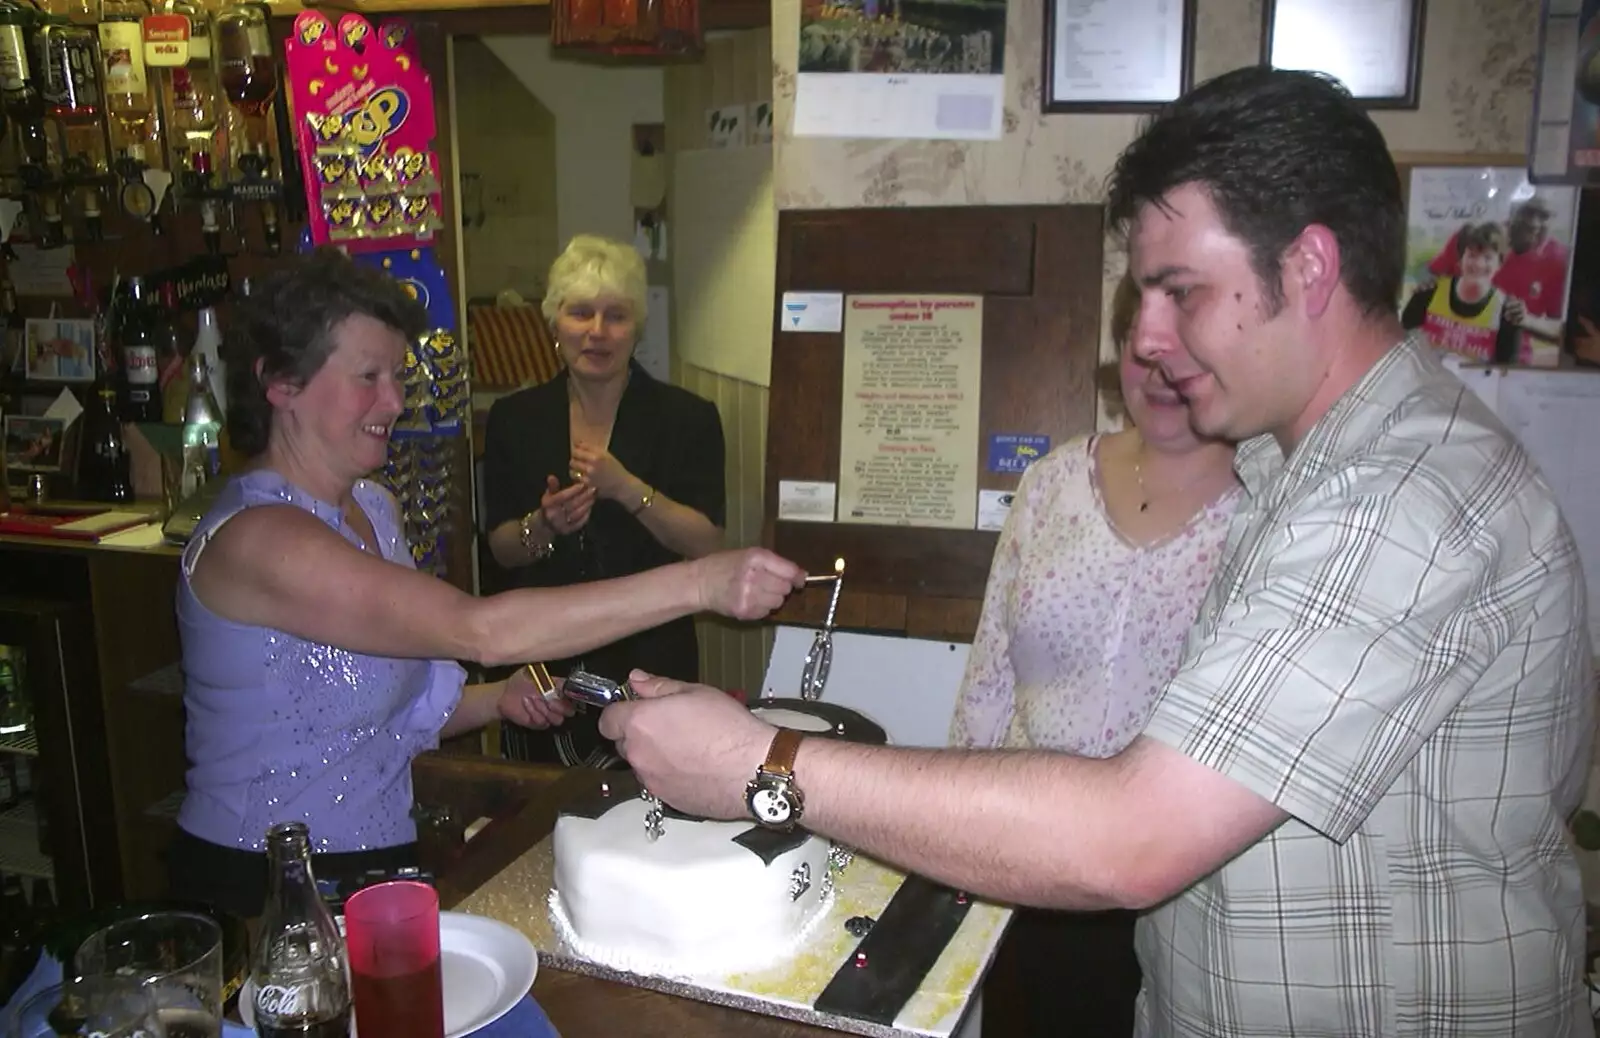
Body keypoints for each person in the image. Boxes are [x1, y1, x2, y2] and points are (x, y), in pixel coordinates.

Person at [599, 68, 1594, 1037]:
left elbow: (1133, 835)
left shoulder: (1396, 496)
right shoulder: (1292, 475)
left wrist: (759, 762)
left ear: (1308, 269)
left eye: (1180, 292)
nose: (1147, 339)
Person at [169, 248, 804, 918]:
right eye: (368, 376)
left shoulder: (374, 509)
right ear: (281, 382)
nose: (394, 399)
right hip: (265, 891)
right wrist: (700, 582)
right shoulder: (256, 538)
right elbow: (481, 630)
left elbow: (404, 716)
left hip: (378, 871)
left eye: (397, 374)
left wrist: (499, 700)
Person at [952, 274, 1240, 1036]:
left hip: (1181, 890)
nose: (1164, 374)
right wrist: (958, 842)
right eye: (1144, 351)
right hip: (1026, 864)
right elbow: (988, 676)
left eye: (1188, 352)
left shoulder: (1264, 506)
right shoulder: (1051, 485)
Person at [482, 235, 727, 769]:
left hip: (652, 666)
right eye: (581, 313)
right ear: (555, 323)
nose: (597, 331)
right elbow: (499, 550)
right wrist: (543, 524)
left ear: (636, 327)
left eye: (615, 315)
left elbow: (708, 543)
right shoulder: (514, 419)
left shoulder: (688, 418)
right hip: (544, 672)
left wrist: (628, 489)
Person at [1400, 221, 1524, 363]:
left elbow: (1505, 371)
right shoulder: (1428, 292)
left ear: (1499, 264)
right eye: (1472, 255)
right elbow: (1402, 345)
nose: (1478, 264)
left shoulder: (1507, 311)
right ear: (1461, 259)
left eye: (1487, 258)